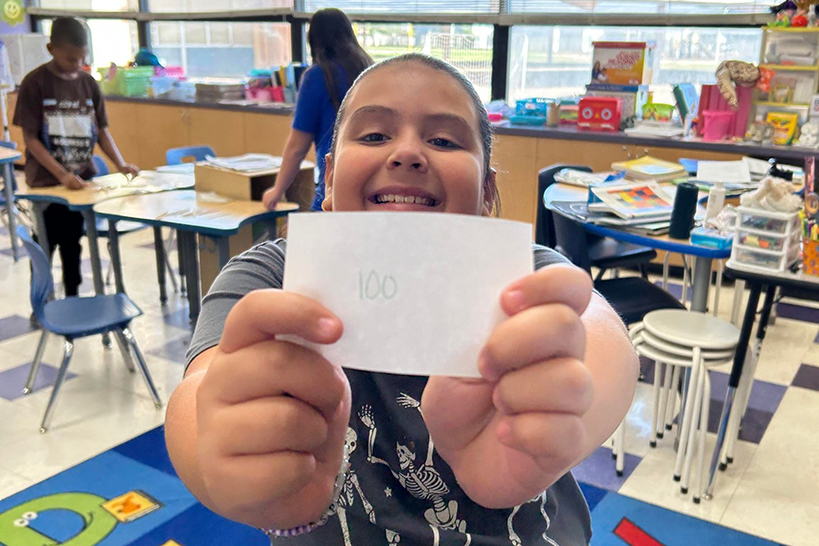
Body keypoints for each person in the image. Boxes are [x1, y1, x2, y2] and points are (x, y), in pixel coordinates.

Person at [166, 53, 638, 545]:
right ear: (327, 178)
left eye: (443, 140)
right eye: (373, 136)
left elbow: (601, 341)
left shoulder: (522, 275)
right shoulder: (270, 276)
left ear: (486, 192)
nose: (408, 153)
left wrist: (555, 419)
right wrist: (226, 459)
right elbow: (199, 392)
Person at [13, 16, 138, 297]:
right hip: (48, 182)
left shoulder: (89, 83)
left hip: (82, 180)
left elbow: (102, 131)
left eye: (82, 58)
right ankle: (43, 298)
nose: (76, 64)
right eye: (70, 58)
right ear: (51, 48)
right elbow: (31, 139)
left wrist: (120, 164)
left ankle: (73, 296)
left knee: (73, 240)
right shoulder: (35, 84)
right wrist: (62, 175)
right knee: (46, 241)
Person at [261, 8, 372, 212]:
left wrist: (277, 190)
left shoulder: (318, 76)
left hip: (334, 192)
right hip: (371, 193)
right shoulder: (369, 71)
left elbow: (297, 147)